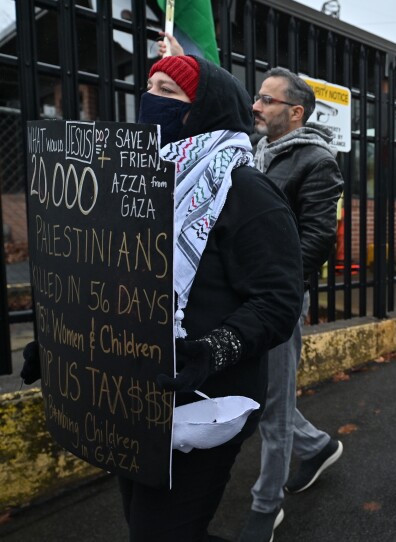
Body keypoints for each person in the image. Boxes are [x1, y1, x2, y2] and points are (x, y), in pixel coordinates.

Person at [23, 55, 304, 540]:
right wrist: (59, 341)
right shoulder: (134, 184)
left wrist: (211, 350)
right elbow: (106, 284)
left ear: (206, 109)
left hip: (203, 399)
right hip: (134, 399)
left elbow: (278, 302)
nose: (151, 99)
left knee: (160, 531)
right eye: (149, 86)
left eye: (169, 92)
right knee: (146, 522)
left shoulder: (247, 190)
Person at [238, 67, 345, 541]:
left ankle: (267, 503)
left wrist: (277, 288)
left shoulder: (316, 161)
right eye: (257, 97)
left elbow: (319, 237)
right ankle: (318, 447)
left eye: (267, 99)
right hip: (244, 291)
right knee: (261, 395)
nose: (256, 106)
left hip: (277, 296)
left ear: (295, 112)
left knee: (276, 399)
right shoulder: (256, 153)